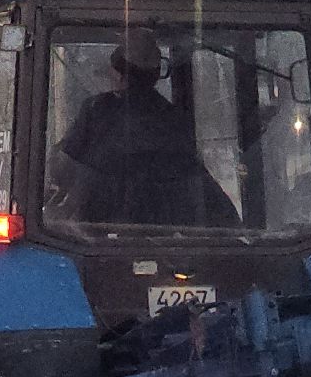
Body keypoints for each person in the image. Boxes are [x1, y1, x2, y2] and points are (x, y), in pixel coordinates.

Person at [49, 28, 240, 228]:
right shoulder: (173, 118)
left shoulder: (97, 110)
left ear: (118, 75)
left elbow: (63, 168)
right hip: (170, 235)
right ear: (156, 75)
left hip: (100, 233)